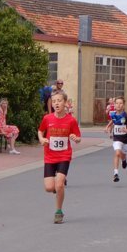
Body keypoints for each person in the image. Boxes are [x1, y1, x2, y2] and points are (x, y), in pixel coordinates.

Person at [38, 91, 81, 224]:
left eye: (59, 101)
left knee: (59, 184)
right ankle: (57, 188)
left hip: (64, 155)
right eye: (54, 101)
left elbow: (78, 137)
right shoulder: (47, 118)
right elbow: (40, 131)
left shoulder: (71, 120)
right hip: (50, 156)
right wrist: (41, 139)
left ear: (65, 103)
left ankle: (59, 211)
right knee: (49, 188)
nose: (56, 103)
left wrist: (75, 138)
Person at [104, 96, 127, 183]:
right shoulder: (113, 114)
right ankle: (115, 174)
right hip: (117, 138)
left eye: (120, 103)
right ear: (114, 105)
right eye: (117, 103)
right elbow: (113, 121)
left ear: (124, 105)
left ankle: (124, 160)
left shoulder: (126, 116)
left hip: (125, 139)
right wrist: (107, 127)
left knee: (123, 154)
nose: (118, 105)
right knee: (117, 153)